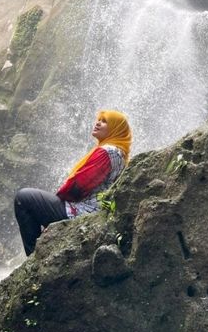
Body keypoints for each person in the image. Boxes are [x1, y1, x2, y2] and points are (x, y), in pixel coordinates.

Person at [14, 109, 132, 256]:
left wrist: (55, 202)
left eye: (105, 121)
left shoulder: (107, 152)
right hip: (93, 211)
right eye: (99, 119)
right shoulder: (119, 154)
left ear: (115, 128)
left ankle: (33, 256)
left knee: (23, 198)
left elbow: (79, 185)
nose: (98, 123)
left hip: (81, 212)